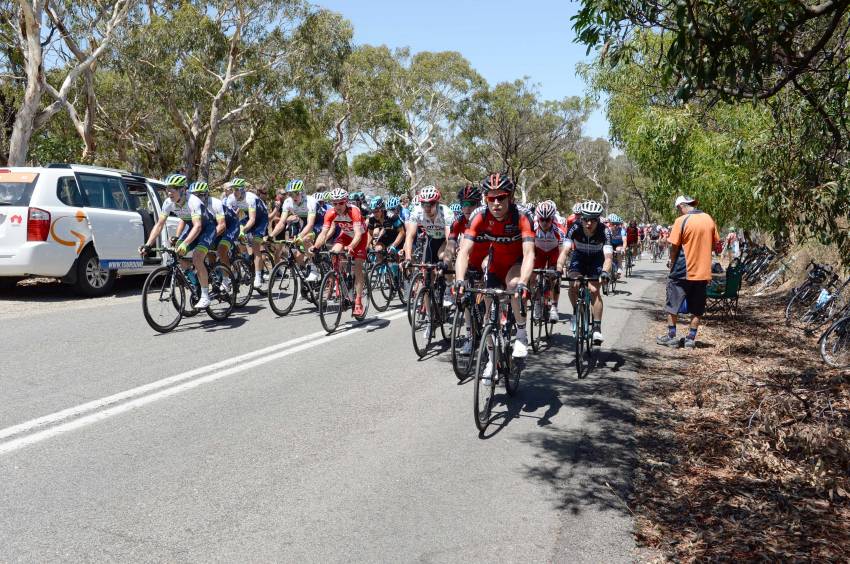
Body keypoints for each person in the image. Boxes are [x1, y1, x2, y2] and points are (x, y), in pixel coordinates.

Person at [454, 172, 535, 376]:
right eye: (491, 198)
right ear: (485, 199)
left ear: (510, 197)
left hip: (516, 263)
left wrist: (525, 282)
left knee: (514, 285)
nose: (496, 203)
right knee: (488, 318)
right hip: (494, 264)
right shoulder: (479, 216)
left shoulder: (522, 216)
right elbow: (464, 251)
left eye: (501, 197)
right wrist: (460, 280)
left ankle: (522, 335)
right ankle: (491, 361)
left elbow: (529, 253)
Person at [139, 174, 217, 309]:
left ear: (183, 190)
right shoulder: (168, 203)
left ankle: (205, 296)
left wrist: (185, 243)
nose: (169, 192)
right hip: (192, 228)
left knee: (197, 258)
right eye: (167, 189)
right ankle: (196, 282)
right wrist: (148, 244)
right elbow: (159, 224)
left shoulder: (194, 201)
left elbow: (198, 226)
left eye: (173, 189)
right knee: (176, 254)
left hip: (207, 229)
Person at [657, 195, 721, 349]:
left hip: (682, 269)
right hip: (703, 271)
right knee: (697, 307)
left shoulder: (682, 221)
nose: (679, 212)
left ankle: (672, 336)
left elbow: (674, 247)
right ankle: (691, 339)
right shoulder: (709, 219)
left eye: (678, 209)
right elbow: (714, 244)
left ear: (681, 206)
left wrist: (672, 263)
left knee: (673, 303)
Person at [560, 200, 613, 344]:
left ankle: (596, 328)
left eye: (593, 220)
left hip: (597, 259)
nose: (588, 223)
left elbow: (608, 257)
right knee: (574, 284)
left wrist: (605, 272)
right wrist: (559, 267)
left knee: (594, 289)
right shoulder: (575, 227)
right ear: (581, 218)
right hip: (579, 257)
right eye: (585, 219)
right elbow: (565, 251)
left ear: (598, 219)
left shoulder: (605, 231)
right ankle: (576, 313)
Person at [310, 188, 368, 317]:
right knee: (334, 252)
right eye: (335, 203)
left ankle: (358, 301)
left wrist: (351, 246)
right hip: (346, 235)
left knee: (358, 266)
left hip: (360, 237)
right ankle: (339, 276)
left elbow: (358, 234)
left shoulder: (354, 211)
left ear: (346, 202)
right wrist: (315, 246)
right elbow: (323, 233)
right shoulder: (330, 213)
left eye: (340, 203)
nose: (338, 206)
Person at [268, 179, 322, 281]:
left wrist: (300, 236)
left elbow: (310, 224)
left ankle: (314, 269)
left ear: (302, 192)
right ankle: (304, 273)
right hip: (304, 222)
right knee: (296, 253)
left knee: (305, 239)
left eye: (296, 193)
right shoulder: (288, 202)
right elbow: (282, 223)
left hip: (318, 222)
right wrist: (271, 236)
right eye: (290, 194)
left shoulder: (310, 201)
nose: (293, 197)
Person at [225, 178, 269, 290]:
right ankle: (246, 262)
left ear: (243, 190)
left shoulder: (251, 198)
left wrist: (242, 231)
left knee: (255, 245)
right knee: (239, 242)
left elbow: (253, 219)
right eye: (233, 190)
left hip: (261, 220)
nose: (235, 192)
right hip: (247, 218)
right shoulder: (230, 198)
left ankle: (258, 276)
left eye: (237, 190)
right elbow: (227, 218)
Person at [533, 201, 569, 322]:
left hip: (554, 252)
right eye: (541, 219)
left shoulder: (559, 230)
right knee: (532, 276)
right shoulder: (533, 228)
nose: (544, 222)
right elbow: (528, 249)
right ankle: (537, 303)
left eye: (547, 220)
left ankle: (554, 307)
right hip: (539, 252)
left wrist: (559, 268)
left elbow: (562, 252)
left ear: (552, 219)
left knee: (554, 278)